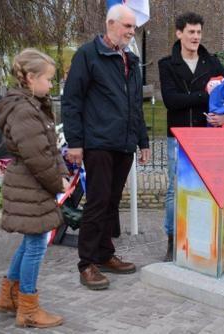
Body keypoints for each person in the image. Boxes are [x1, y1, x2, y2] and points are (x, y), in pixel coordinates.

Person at [62, 4, 150, 290]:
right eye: (127, 26)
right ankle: (86, 263)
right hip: (98, 142)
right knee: (98, 202)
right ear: (110, 24)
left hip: (124, 144)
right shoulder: (88, 55)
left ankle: (104, 254)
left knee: (111, 203)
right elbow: (72, 100)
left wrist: (143, 140)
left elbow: (135, 105)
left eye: (133, 27)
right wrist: (75, 142)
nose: (131, 31)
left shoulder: (132, 61)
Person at [0, 48, 68, 328]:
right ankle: (27, 308)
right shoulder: (24, 110)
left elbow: (49, 148)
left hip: (30, 184)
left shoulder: (32, 105)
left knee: (31, 242)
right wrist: (57, 182)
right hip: (30, 185)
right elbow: (37, 157)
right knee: (36, 244)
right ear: (29, 77)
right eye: (48, 79)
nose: (51, 85)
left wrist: (60, 173)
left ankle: (7, 297)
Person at [158, 12, 224, 262]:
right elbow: (171, 100)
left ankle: (200, 238)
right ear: (179, 33)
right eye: (190, 32)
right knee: (174, 190)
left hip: (207, 136)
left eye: (198, 32)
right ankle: (172, 239)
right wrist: (205, 96)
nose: (195, 37)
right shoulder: (167, 64)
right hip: (178, 137)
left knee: (205, 189)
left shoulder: (213, 63)